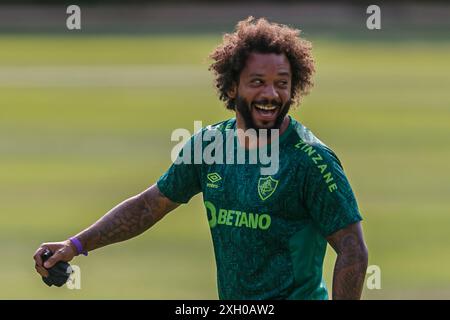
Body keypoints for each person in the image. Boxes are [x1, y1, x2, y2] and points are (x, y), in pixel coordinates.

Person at [33, 17, 368, 300]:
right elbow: (151, 205)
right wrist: (75, 244)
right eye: (257, 82)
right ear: (233, 86)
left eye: (282, 83)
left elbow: (352, 248)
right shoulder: (211, 145)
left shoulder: (311, 160)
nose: (271, 94)